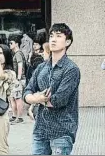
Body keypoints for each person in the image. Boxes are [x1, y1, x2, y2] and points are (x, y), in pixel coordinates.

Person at [23, 23, 81, 155]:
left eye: (58, 36)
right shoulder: (42, 67)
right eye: (51, 36)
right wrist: (35, 98)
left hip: (62, 131)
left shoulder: (71, 69)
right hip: (40, 129)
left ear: (67, 42)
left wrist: (36, 99)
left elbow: (58, 100)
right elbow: (27, 92)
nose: (53, 39)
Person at [9, 37, 26, 124]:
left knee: (18, 98)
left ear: (16, 44)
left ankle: (19, 117)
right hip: (16, 79)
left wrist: (18, 78)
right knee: (13, 97)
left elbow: (20, 65)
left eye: (11, 43)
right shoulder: (16, 54)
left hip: (18, 79)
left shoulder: (18, 54)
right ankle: (14, 115)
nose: (10, 45)